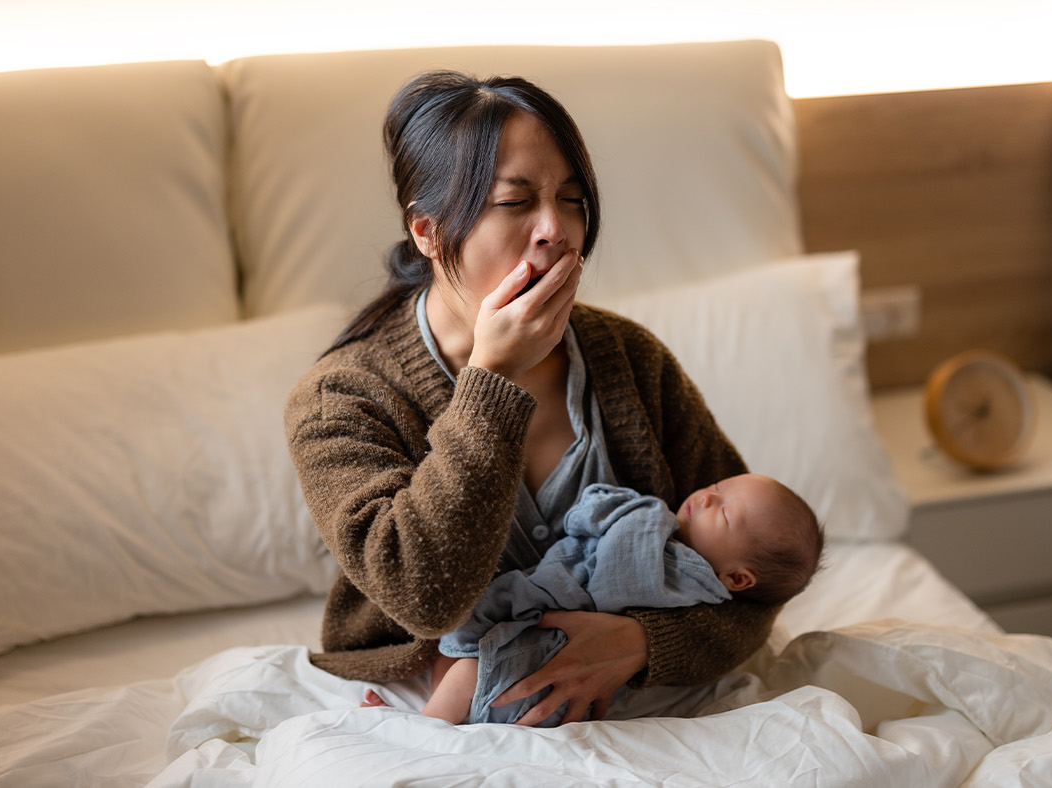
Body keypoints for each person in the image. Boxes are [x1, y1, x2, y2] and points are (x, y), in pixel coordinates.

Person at [285, 69, 782, 728]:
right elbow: (423, 598)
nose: (555, 229)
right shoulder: (341, 399)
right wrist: (491, 381)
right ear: (427, 232)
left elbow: (759, 574)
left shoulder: (629, 361)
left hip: (629, 711)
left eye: (571, 199)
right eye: (516, 202)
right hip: (424, 713)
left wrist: (638, 645)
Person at [423, 474, 825, 726]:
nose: (705, 498)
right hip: (547, 659)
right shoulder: (687, 563)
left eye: (723, 514)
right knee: (461, 665)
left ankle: (422, 729)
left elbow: (611, 578)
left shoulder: (679, 569)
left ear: (737, 578)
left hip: (550, 657)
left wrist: (644, 513)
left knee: (471, 670)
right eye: (718, 487)